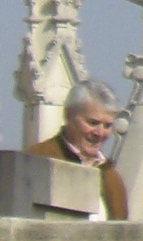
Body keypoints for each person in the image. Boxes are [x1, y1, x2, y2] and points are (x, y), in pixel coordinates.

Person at [28, 79, 127, 220]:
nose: (100, 133)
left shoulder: (111, 176)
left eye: (107, 126)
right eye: (93, 123)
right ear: (68, 115)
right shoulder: (37, 160)